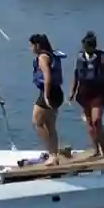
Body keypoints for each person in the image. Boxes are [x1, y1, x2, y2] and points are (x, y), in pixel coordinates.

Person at [72, 30, 104, 158]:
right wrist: (72, 91)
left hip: (99, 93)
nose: (86, 49)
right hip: (84, 93)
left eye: (88, 47)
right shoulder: (80, 58)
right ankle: (96, 150)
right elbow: (76, 75)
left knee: (97, 120)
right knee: (89, 123)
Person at [28, 34, 68, 162]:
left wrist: (46, 96)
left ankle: (52, 154)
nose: (30, 48)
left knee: (37, 123)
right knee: (50, 125)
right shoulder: (51, 55)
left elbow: (47, 77)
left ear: (37, 45)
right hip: (57, 92)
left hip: (49, 93)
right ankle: (54, 155)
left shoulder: (42, 57)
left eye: (31, 45)